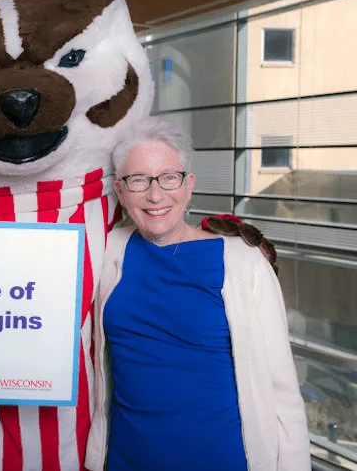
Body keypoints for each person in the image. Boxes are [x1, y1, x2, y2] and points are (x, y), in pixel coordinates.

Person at [85, 116, 310, 471]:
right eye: (139, 180)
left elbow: (283, 391)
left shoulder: (243, 262)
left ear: (189, 185)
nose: (155, 195)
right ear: (121, 191)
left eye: (168, 178)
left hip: (223, 459)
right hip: (126, 459)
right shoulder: (108, 250)